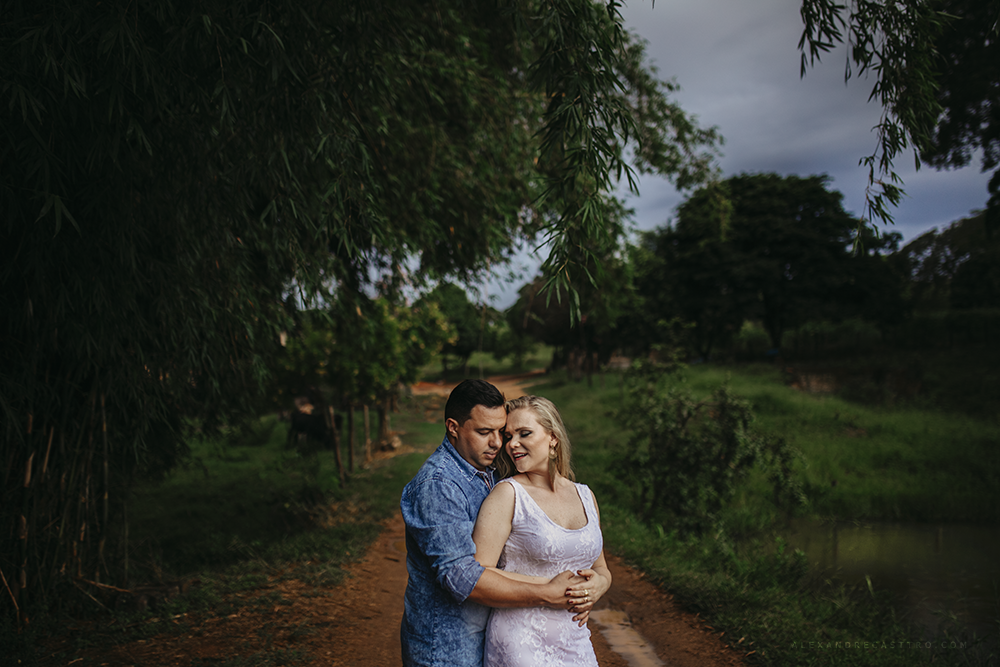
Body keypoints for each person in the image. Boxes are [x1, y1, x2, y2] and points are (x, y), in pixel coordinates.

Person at [400, 380, 604, 667]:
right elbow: (461, 578)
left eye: (500, 432)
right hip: (447, 647)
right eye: (485, 432)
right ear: (453, 427)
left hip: (494, 635)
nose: (499, 443)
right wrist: (549, 591)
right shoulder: (439, 484)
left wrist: (592, 585)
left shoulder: (490, 471)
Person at [473, 395, 612, 666]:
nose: (512, 444)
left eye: (524, 433)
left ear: (553, 438)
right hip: (520, 639)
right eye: (508, 435)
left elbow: (601, 568)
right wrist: (550, 587)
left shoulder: (585, 495)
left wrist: (598, 587)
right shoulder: (508, 495)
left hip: (576, 638)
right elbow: (478, 573)